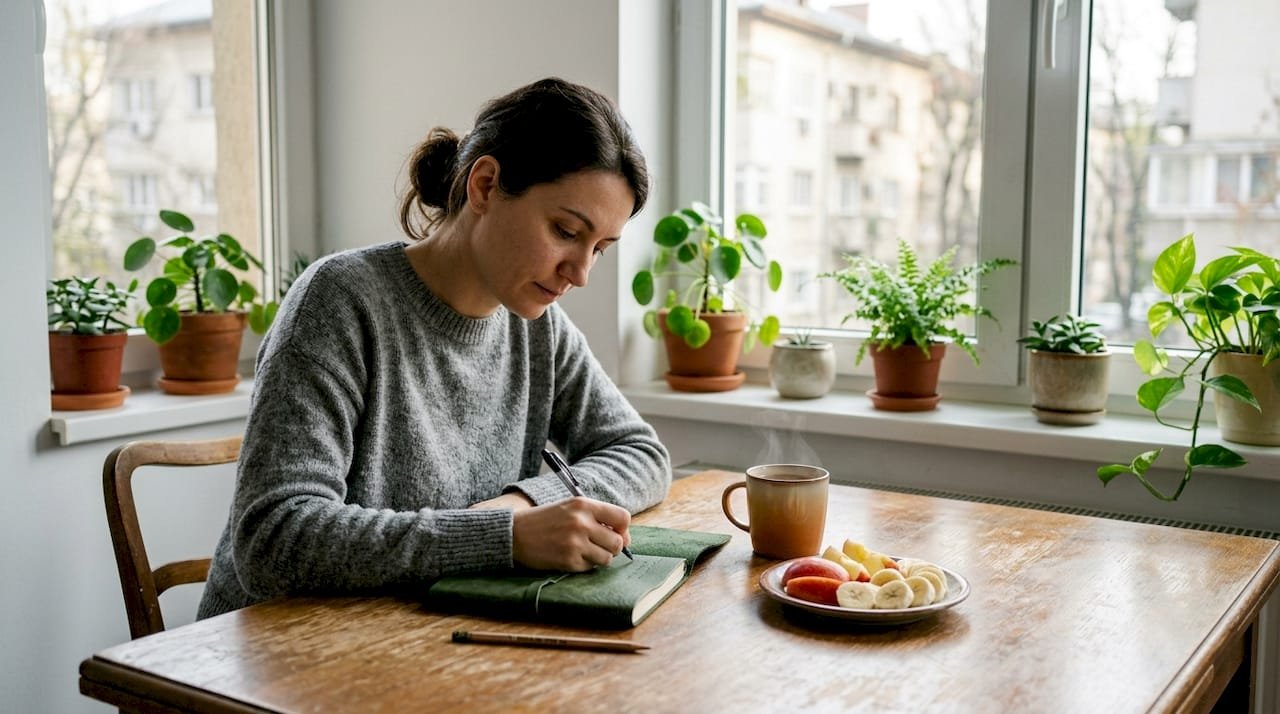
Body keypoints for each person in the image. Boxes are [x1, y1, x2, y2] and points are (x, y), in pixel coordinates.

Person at [197, 77, 671, 619]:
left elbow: (643, 454)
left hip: (416, 637)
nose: (580, 273)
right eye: (565, 231)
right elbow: (274, 541)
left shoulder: (539, 328)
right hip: (271, 660)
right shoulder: (340, 300)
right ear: (486, 186)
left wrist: (522, 504)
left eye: (600, 249)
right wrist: (503, 537)